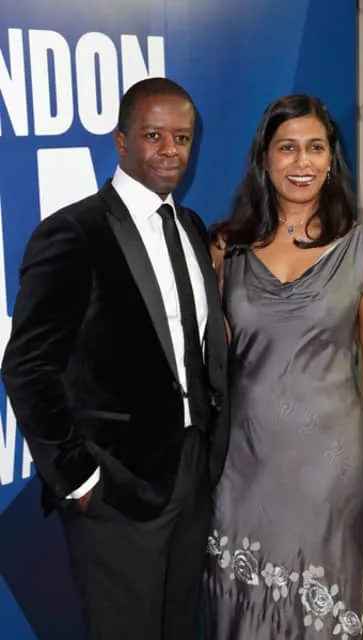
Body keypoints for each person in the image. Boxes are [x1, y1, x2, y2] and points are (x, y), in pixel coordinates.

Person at [1, 77, 229, 640]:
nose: (170, 150)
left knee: (179, 628)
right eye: (154, 135)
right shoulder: (71, 233)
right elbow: (27, 366)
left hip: (192, 476)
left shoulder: (191, 227)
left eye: (182, 137)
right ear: (121, 140)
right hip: (117, 491)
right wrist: (79, 478)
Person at [203, 94, 363, 639]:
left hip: (330, 470)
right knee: (240, 612)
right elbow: (211, 364)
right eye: (287, 148)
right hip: (243, 466)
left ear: (331, 159)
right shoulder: (228, 249)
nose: (302, 162)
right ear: (265, 158)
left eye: (315, 148)